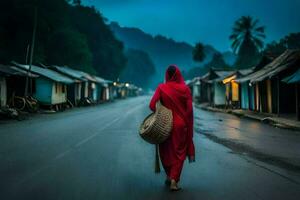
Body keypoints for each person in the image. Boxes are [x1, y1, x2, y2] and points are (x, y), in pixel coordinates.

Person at [149, 65, 195, 191]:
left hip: (165, 125)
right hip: (180, 126)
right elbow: (190, 109)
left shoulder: (161, 87)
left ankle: (170, 176)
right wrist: (185, 120)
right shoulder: (185, 89)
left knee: (166, 152)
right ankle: (174, 180)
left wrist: (163, 113)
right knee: (179, 153)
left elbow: (152, 105)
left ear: (166, 75)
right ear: (178, 74)